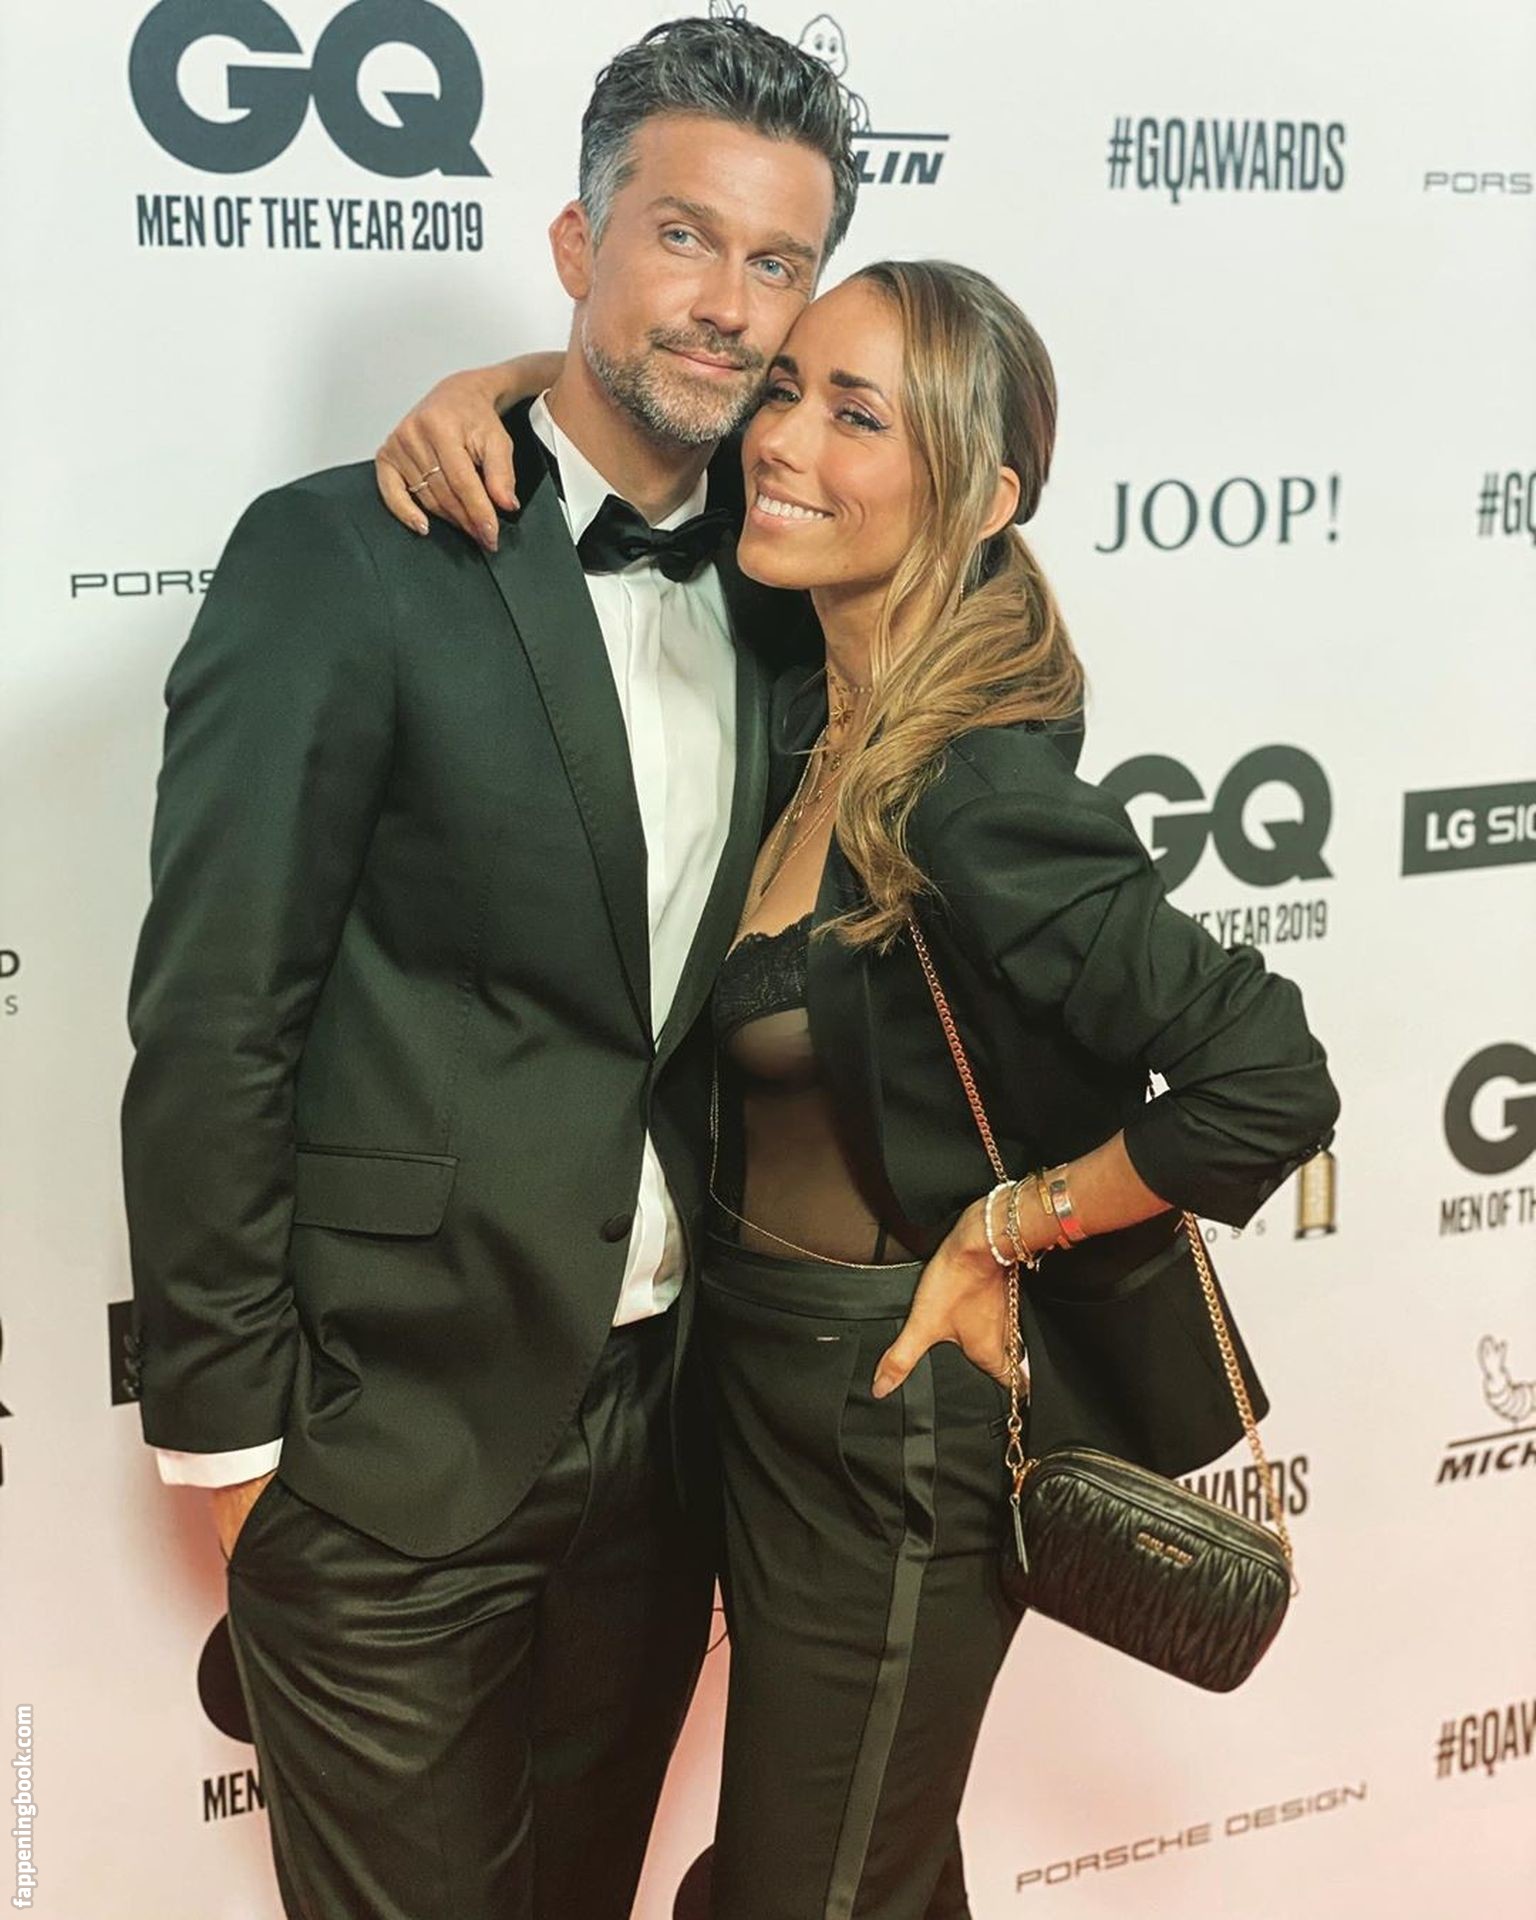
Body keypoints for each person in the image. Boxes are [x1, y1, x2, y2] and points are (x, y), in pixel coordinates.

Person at [375, 267, 1340, 1915]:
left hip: (889, 1415)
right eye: (784, 389)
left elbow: (1269, 1081)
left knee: (805, 1891)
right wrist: (502, 389)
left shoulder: (977, 790)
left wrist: (1004, 1229)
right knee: (858, 1865)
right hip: (728, 1381)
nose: (783, 441)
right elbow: (640, 432)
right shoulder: (788, 676)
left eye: (857, 415)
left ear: (985, 494)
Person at [119, 18, 855, 1920]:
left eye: (778, 262)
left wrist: (529, 376)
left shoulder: (800, 593)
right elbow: (215, 1013)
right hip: (386, 1448)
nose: (729, 301)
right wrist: (242, 1451)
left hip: (672, 1438)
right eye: (681, 236)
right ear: (574, 241)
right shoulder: (346, 556)